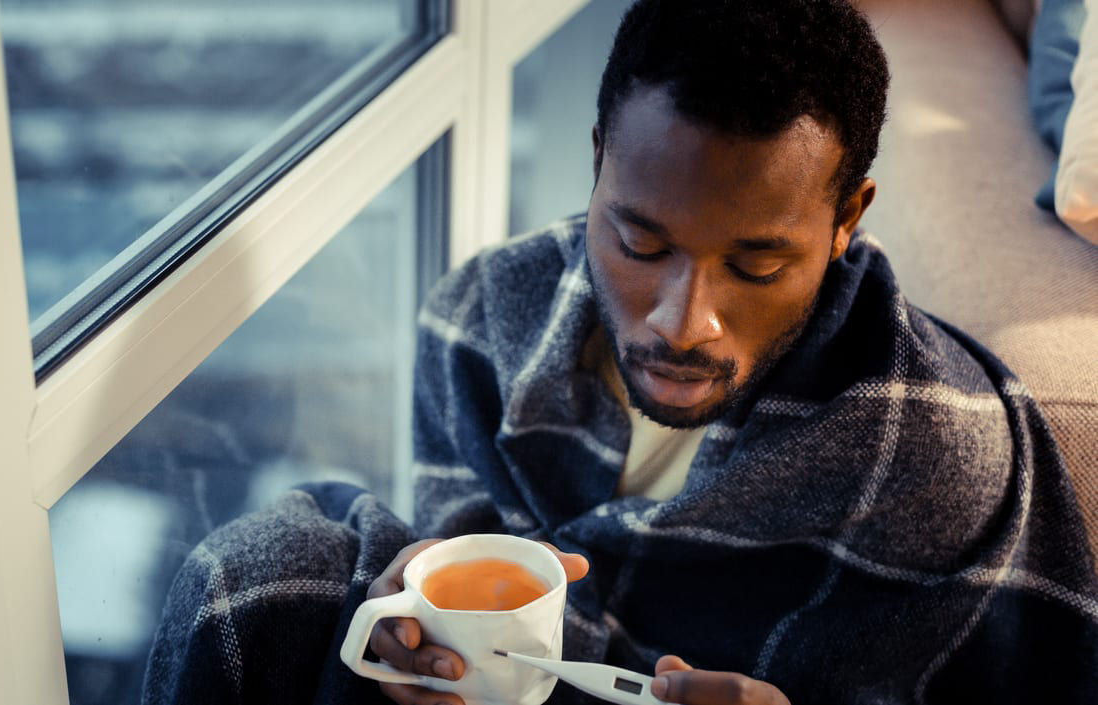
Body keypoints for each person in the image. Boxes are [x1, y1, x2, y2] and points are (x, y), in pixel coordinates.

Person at [142, 1, 1098, 704]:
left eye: (758, 263)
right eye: (642, 244)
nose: (685, 321)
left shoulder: (931, 455)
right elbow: (463, 570)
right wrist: (424, 631)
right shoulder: (479, 319)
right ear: (598, 158)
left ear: (847, 217)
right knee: (258, 576)